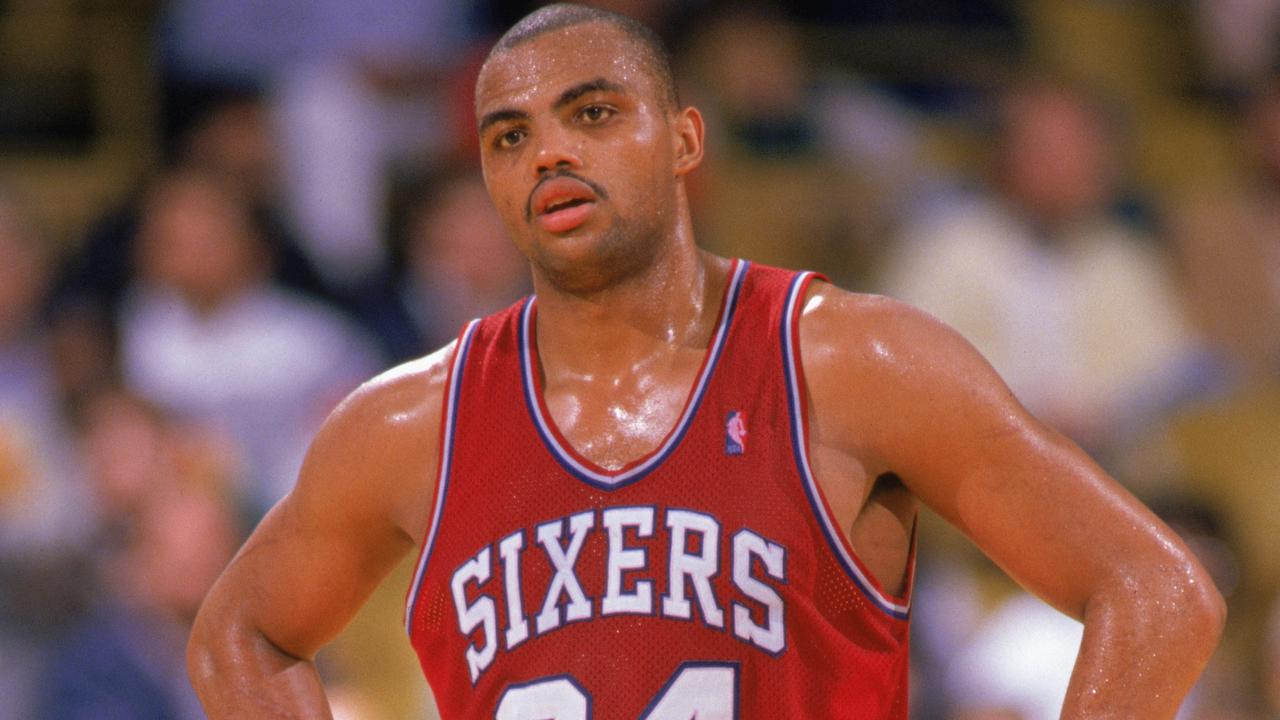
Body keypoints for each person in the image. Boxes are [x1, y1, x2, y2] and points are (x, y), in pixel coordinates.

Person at [187, 5, 1225, 718]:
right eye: (507, 137)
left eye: (591, 114)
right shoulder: (407, 424)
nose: (547, 152)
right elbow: (238, 635)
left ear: (683, 141)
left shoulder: (848, 360)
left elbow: (1156, 590)